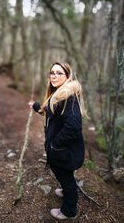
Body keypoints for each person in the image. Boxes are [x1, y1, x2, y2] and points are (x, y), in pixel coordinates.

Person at [29, 62, 86, 220]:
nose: (54, 76)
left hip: (64, 152)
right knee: (64, 176)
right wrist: (36, 106)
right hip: (60, 150)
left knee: (66, 177)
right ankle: (66, 189)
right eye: (52, 72)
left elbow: (73, 127)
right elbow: (52, 112)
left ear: (68, 76)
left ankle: (69, 210)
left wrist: (55, 144)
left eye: (59, 73)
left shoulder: (69, 98)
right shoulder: (59, 94)